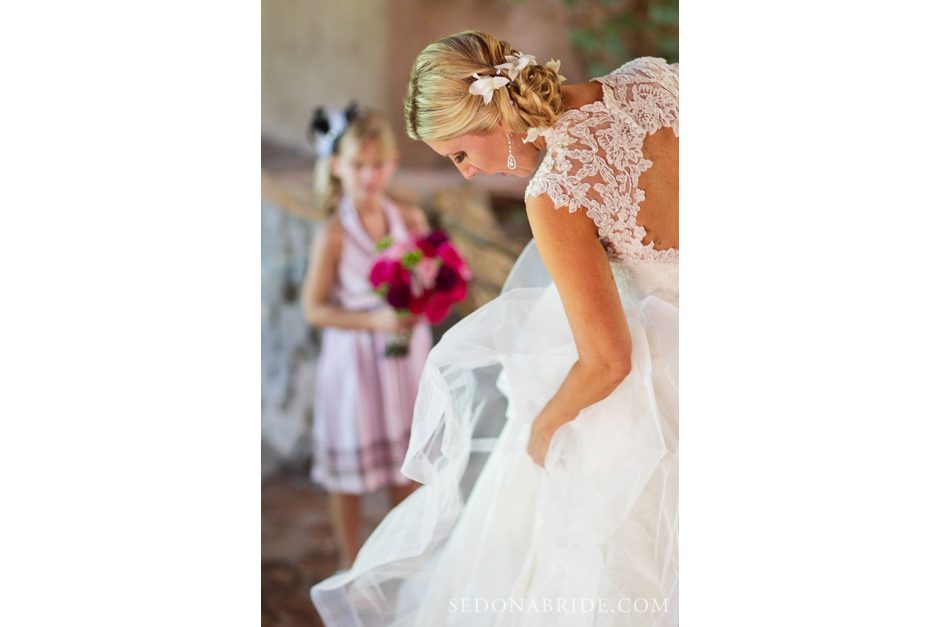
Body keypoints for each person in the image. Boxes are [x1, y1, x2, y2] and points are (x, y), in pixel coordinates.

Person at [312, 30, 679, 626]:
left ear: (493, 120)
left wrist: (545, 427)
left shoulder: (556, 194)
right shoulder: (652, 80)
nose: (465, 175)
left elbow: (609, 360)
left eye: (458, 155)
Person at [302, 104, 433, 571]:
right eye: (358, 165)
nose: (369, 176)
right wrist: (373, 323)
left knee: (407, 458)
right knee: (352, 468)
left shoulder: (410, 220)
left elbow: (429, 279)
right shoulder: (335, 235)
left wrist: (429, 290)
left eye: (378, 165)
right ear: (337, 167)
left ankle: (399, 558)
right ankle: (350, 560)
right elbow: (313, 307)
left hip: (405, 356)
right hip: (355, 359)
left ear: (392, 165)